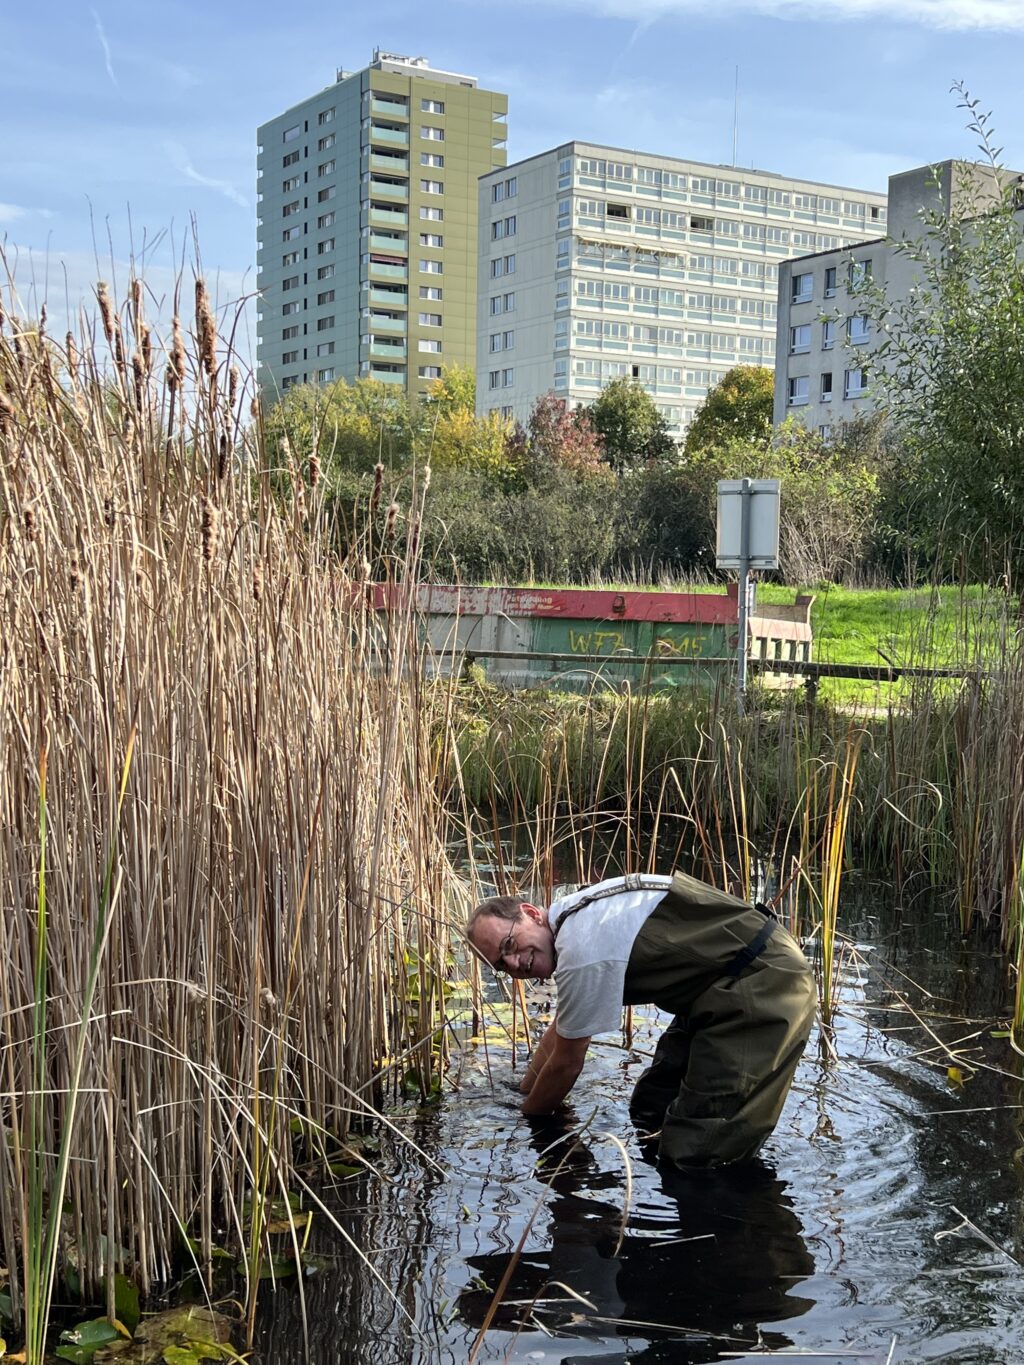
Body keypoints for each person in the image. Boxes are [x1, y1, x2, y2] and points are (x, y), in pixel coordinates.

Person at [466, 870, 816, 1168]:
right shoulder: (574, 919)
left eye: (509, 944)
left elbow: (566, 1064)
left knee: (698, 1152)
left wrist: (529, 1124)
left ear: (531, 913)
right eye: (500, 964)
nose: (512, 964)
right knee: (651, 1104)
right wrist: (522, 1090)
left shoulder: (579, 947)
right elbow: (561, 1030)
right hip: (716, 986)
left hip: (765, 982)